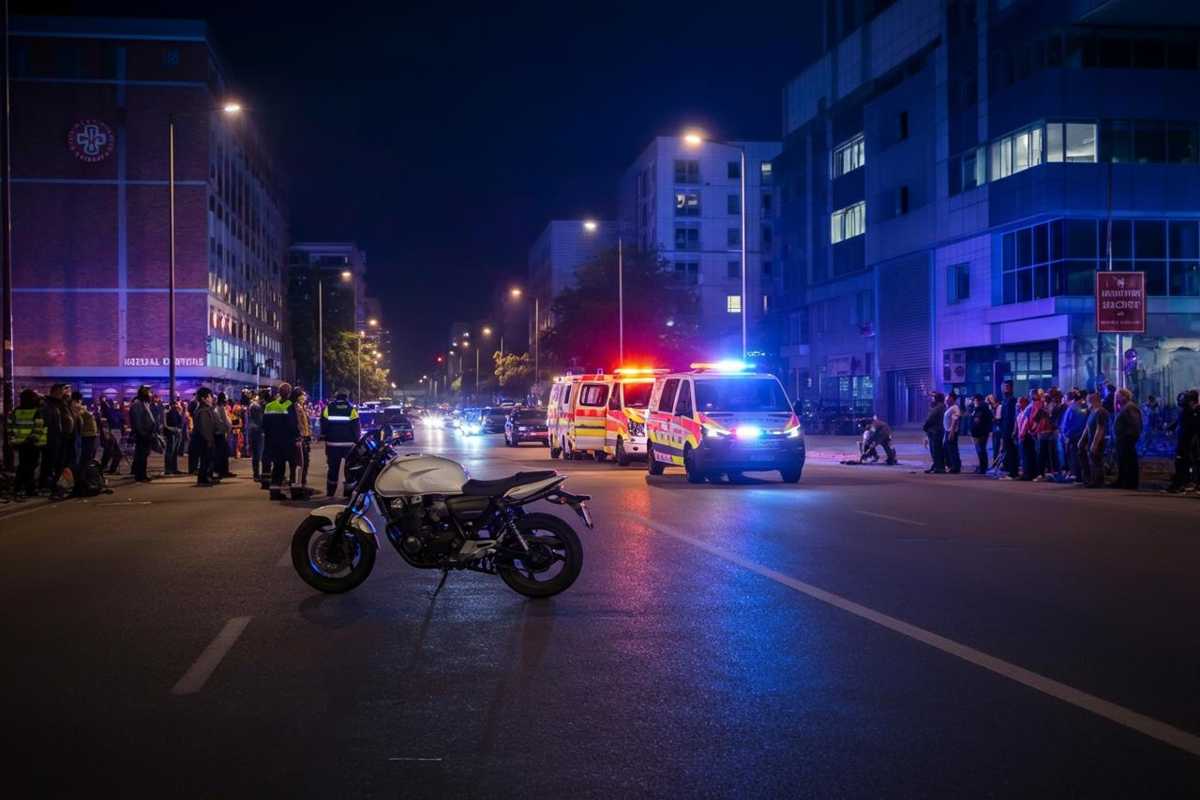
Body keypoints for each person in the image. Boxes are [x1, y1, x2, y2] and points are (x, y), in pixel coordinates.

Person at [320, 389, 360, 497]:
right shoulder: (352, 409)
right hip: (349, 446)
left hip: (332, 445)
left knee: (333, 469)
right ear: (346, 398)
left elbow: (323, 426)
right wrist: (356, 440)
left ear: (336, 398)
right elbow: (356, 427)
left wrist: (326, 436)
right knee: (349, 470)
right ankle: (348, 493)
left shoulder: (328, 408)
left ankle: (330, 492)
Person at [263, 382, 300, 499]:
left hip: (273, 442)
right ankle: (295, 492)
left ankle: (274, 492)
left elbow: (264, 425)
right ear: (288, 393)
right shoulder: (289, 405)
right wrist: (297, 436)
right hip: (288, 442)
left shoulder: (269, 406)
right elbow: (293, 425)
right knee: (294, 466)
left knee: (278, 467)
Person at [8, 389, 46, 498]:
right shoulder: (36, 411)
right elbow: (39, 427)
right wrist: (33, 439)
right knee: (31, 466)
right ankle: (30, 489)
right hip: (32, 444)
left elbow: (10, 426)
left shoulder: (16, 411)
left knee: (22, 465)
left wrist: (13, 440)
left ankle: (18, 487)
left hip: (20, 443)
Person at [39, 383, 73, 496]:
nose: (66, 392)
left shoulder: (62, 403)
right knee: (49, 462)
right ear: (56, 391)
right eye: (64, 390)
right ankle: (45, 485)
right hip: (53, 438)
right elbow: (48, 422)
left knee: (60, 462)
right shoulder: (48, 404)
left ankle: (55, 484)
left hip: (62, 437)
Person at [1165, 390, 1199, 493]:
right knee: (1181, 462)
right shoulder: (1186, 411)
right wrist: (1170, 428)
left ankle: (1184, 482)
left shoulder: (1195, 412)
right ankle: (1182, 482)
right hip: (1183, 440)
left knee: (1186, 462)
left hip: (1190, 441)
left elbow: (1193, 426)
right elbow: (1180, 421)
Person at [1113, 387, 1142, 490]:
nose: (1117, 398)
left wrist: (1129, 436)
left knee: (1129, 460)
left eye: (1119, 396)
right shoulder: (1124, 407)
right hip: (1123, 438)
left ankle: (1131, 482)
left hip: (1127, 438)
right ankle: (1122, 480)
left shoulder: (1130, 407)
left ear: (1125, 396)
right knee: (1122, 460)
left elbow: (1135, 424)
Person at [128, 385, 158, 483]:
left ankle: (142, 474)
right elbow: (137, 422)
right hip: (142, 434)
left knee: (144, 455)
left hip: (147, 434)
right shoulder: (137, 405)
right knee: (141, 455)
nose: (151, 394)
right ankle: (140, 475)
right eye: (150, 392)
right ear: (145, 393)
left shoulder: (145, 404)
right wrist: (142, 433)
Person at [1080, 392, 1109, 489]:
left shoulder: (1101, 412)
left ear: (1093, 401)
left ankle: (1098, 481)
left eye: (1088, 401)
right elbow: (1087, 427)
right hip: (1091, 439)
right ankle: (1092, 479)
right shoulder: (1092, 412)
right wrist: (1082, 440)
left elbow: (1100, 429)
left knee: (1097, 460)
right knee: (1092, 460)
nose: (1087, 404)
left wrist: (1095, 443)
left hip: (1098, 441)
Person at [191, 388, 218, 486]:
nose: (211, 399)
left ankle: (206, 477)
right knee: (205, 459)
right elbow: (204, 427)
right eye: (210, 397)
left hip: (205, 438)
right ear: (203, 398)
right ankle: (204, 478)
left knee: (207, 458)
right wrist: (209, 439)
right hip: (204, 439)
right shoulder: (203, 411)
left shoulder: (205, 409)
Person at [1060, 391, 1089, 482]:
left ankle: (1076, 475)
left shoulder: (1072, 409)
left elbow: (1067, 424)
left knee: (1074, 456)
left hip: (1073, 436)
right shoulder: (1079, 409)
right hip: (1079, 435)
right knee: (1077, 456)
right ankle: (1079, 475)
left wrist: (1067, 435)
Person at [967, 393, 993, 474]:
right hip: (980, 432)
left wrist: (973, 430)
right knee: (981, 450)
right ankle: (982, 466)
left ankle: (983, 467)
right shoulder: (980, 407)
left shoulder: (981, 408)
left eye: (973, 400)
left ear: (977, 400)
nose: (972, 402)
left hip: (980, 433)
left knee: (981, 450)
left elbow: (977, 420)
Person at [998, 382, 1018, 479]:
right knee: (1007, 450)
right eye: (1003, 387)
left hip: (1010, 429)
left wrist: (1014, 430)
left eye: (1006, 387)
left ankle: (1013, 472)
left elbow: (1013, 417)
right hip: (1005, 429)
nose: (1004, 389)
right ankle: (1009, 470)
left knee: (1011, 451)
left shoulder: (1012, 400)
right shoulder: (1004, 400)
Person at [73, 392, 99, 470]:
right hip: (87, 434)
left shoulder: (79, 406)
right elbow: (78, 416)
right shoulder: (78, 407)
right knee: (86, 455)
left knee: (88, 454)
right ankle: (83, 473)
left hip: (89, 433)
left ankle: (85, 473)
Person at [923, 392, 946, 474]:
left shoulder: (938, 408)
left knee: (935, 450)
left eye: (933, 397)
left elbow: (930, 419)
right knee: (937, 449)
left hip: (935, 431)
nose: (931, 399)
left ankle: (938, 467)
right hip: (937, 430)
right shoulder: (941, 407)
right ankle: (937, 466)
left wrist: (925, 427)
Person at [214, 392, 235, 479]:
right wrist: (228, 427)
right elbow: (224, 421)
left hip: (222, 432)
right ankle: (222, 471)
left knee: (223, 453)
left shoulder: (220, 408)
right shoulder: (220, 408)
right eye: (226, 398)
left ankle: (223, 470)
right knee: (222, 454)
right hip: (220, 433)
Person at [942, 392, 962, 474]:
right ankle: (951, 466)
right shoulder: (950, 407)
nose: (946, 400)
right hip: (948, 431)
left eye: (948, 398)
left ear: (952, 399)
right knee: (948, 449)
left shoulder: (955, 408)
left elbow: (955, 420)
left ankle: (955, 467)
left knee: (953, 450)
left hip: (951, 431)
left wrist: (952, 432)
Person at [163, 399, 184, 475]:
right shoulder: (167, 413)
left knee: (174, 452)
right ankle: (168, 469)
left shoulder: (177, 413)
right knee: (170, 452)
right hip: (171, 434)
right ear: (171, 405)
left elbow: (181, 422)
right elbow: (165, 425)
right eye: (174, 404)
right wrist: (174, 429)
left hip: (176, 434)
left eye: (176, 404)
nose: (176, 406)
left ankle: (174, 468)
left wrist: (179, 429)